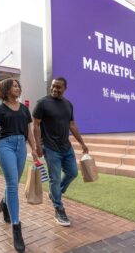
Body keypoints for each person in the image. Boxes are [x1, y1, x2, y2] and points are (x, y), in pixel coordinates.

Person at [0, 78, 37, 253]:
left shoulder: (25, 110)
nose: (18, 88)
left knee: (13, 183)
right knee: (12, 185)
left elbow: (29, 132)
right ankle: (16, 227)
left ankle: (5, 204)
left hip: (21, 146)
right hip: (6, 146)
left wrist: (34, 149)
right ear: (6, 89)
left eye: (19, 85)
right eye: (14, 86)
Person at [32, 77, 89, 227]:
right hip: (50, 148)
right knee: (54, 179)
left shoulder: (68, 105)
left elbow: (72, 124)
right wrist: (38, 146)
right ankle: (58, 208)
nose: (55, 89)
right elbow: (36, 125)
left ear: (65, 89)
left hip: (66, 146)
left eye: (58, 87)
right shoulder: (42, 103)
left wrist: (82, 143)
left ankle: (55, 193)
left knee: (73, 172)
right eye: (53, 87)